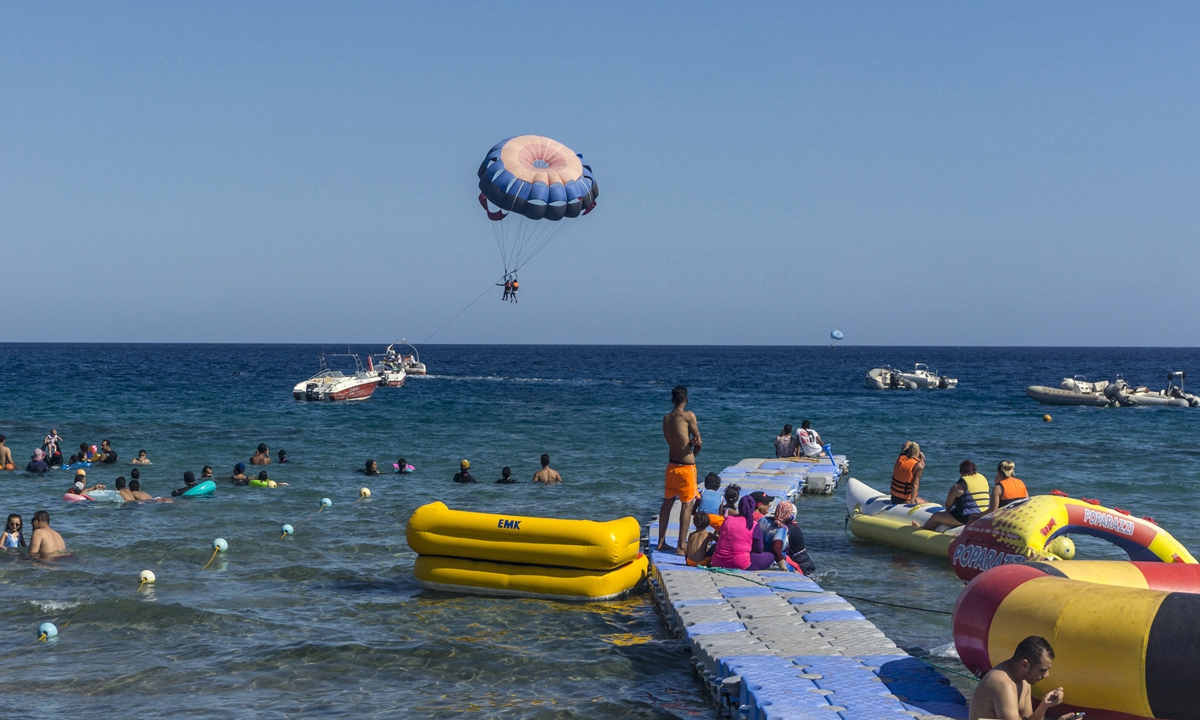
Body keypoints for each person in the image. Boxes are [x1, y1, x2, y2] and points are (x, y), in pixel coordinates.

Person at [969, 636, 1065, 720]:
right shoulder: (1003, 684)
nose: (1046, 675)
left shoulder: (1024, 681)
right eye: (1042, 670)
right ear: (1024, 665)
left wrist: (1044, 705)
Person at [659, 385, 702, 555]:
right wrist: (693, 452)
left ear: (672, 400)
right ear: (686, 399)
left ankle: (661, 542)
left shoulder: (666, 418)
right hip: (686, 468)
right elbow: (698, 440)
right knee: (687, 505)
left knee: (667, 503)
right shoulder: (688, 415)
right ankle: (681, 546)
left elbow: (675, 440)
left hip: (671, 466)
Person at [918, 460, 992, 530]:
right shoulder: (983, 478)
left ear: (961, 471)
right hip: (984, 515)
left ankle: (922, 529)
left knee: (935, 516)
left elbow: (948, 505)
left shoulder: (958, 486)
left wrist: (947, 512)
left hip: (967, 518)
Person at [710, 496, 775, 571]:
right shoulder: (753, 524)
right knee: (770, 556)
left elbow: (721, 536)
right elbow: (758, 549)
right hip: (740, 563)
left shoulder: (728, 519)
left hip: (718, 561)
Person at [758, 500, 800, 571]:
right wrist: (783, 568)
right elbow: (776, 548)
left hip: (760, 556)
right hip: (774, 562)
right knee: (796, 569)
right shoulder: (781, 529)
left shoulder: (762, 520)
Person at [780, 508, 817, 575]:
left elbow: (780, 550)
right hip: (806, 562)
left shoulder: (786, 529)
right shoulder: (794, 526)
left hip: (801, 565)